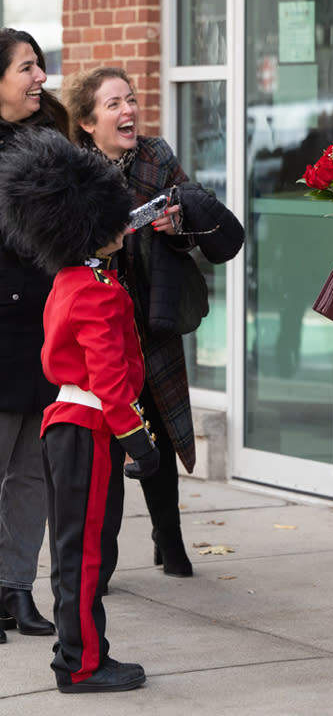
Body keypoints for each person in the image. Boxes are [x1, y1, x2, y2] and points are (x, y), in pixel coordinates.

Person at [61, 68, 244, 577]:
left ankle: (170, 539)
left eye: (132, 100)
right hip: (99, 320)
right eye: (115, 104)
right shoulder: (73, 171)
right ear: (87, 120)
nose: (129, 112)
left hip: (152, 310)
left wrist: (175, 223)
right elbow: (59, 252)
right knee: (111, 432)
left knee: (159, 428)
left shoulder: (156, 156)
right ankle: (104, 560)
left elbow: (192, 231)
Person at [0, 127, 161, 692]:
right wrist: (137, 439)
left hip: (68, 424)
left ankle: (79, 653)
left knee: (75, 552)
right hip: (90, 426)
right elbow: (109, 378)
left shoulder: (71, 280)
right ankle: (81, 663)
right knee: (85, 555)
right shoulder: (96, 289)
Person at [0, 27, 69, 644]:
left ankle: (16, 589)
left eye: (40, 65)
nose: (40, 78)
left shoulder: (50, 145)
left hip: (43, 328)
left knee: (29, 471)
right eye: (26, 68)